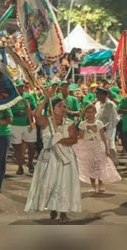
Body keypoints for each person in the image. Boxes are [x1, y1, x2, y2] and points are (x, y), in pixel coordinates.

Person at [25, 91, 81, 224]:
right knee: (50, 183)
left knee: (64, 184)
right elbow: (36, 114)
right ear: (52, 108)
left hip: (66, 158)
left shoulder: (69, 123)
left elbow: (74, 139)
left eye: (64, 106)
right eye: (60, 106)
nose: (63, 108)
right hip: (50, 158)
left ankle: (63, 212)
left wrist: (61, 141)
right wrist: (46, 98)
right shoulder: (46, 121)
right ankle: (52, 206)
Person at [74, 104, 121, 193]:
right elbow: (81, 137)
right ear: (85, 113)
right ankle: (92, 185)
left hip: (99, 146)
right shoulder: (82, 124)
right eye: (88, 112)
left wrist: (106, 148)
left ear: (95, 112)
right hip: (88, 146)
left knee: (100, 165)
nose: (91, 114)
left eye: (92, 112)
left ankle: (100, 183)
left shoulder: (99, 123)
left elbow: (103, 137)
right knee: (91, 166)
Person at [11, 79, 37, 175]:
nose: (20, 88)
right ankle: (20, 166)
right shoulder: (11, 97)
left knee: (32, 145)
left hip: (28, 124)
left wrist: (30, 113)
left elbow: (34, 108)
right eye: (18, 87)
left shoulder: (28, 96)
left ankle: (30, 162)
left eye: (21, 86)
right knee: (17, 147)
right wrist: (16, 113)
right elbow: (8, 110)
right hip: (15, 125)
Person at [95, 87, 120, 166]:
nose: (97, 96)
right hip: (98, 128)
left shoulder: (110, 104)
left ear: (104, 95)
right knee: (100, 146)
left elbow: (115, 119)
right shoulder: (97, 104)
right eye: (96, 94)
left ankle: (114, 162)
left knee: (110, 146)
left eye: (98, 94)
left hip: (109, 129)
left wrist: (106, 127)